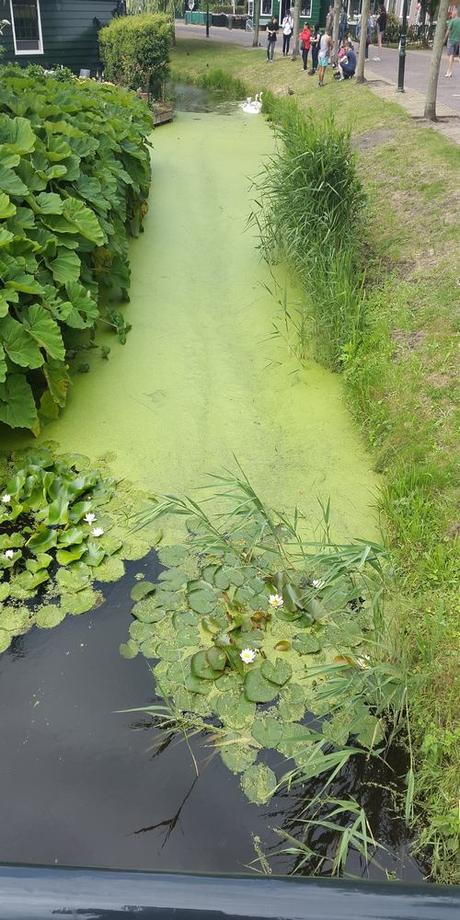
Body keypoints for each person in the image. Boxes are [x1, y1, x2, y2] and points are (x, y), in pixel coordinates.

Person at [445, 9, 460, 77]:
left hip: (451, 40)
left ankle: (449, 71)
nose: (451, 14)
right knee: (453, 56)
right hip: (458, 41)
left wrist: (444, 39)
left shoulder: (452, 21)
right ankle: (450, 70)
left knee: (450, 56)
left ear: (455, 13)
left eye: (452, 13)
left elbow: (448, 31)